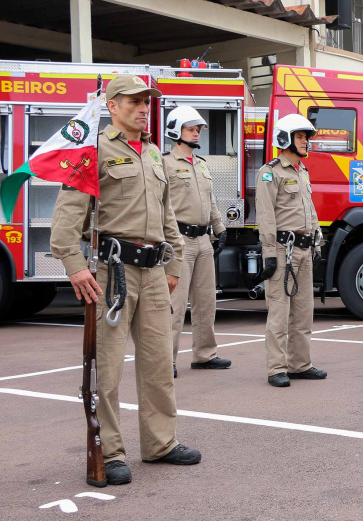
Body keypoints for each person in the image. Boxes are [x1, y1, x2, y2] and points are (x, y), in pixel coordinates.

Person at [50, 75, 199, 486]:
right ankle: (110, 452)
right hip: (112, 274)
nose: (141, 108)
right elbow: (67, 216)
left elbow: (168, 213)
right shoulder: (93, 150)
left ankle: (161, 443)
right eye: (132, 101)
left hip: (153, 271)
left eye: (145, 102)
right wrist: (74, 265)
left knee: (158, 364)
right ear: (112, 106)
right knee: (109, 369)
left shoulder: (154, 154)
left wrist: (173, 263)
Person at [256, 114, 326, 388]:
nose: (306, 142)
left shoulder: (302, 171)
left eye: (306, 137)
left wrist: (317, 243)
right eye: (300, 137)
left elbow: (311, 212)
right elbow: (265, 216)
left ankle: (300, 364)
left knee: (303, 311)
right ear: (284, 139)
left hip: (304, 250)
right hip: (283, 251)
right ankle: (276, 368)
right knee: (279, 312)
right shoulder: (270, 172)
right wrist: (269, 253)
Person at [162, 106, 230, 378]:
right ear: (175, 132)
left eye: (198, 129)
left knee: (205, 302)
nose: (196, 133)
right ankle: (166, 359)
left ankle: (204, 354)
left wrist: (219, 227)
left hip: (203, 240)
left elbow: (210, 200)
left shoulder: (201, 164)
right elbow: (159, 204)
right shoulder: (164, 164)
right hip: (178, 241)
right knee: (174, 305)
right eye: (191, 129)